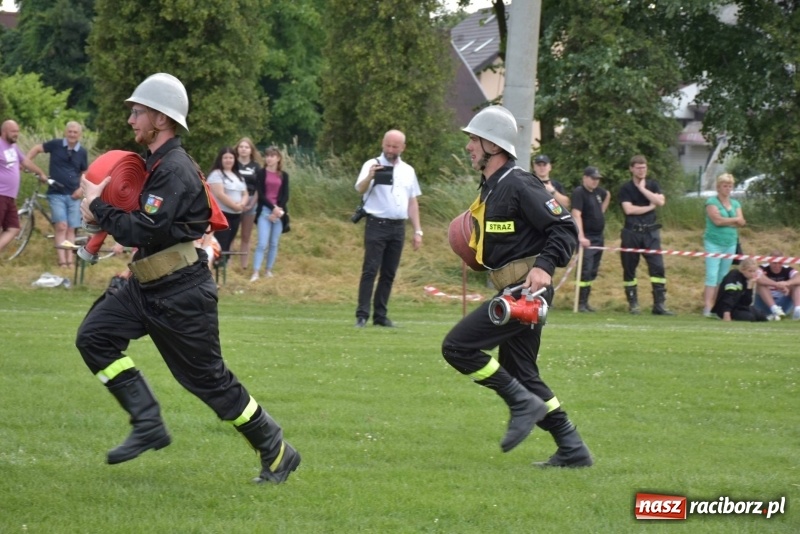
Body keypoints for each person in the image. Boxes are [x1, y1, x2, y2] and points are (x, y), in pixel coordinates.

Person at [75, 73, 299, 484]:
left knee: (209, 381)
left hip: (181, 295)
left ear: (160, 119)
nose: (131, 120)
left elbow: (141, 228)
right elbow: (141, 227)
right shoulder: (154, 165)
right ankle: (147, 423)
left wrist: (97, 208)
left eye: (138, 112)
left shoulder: (174, 169)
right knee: (94, 337)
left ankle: (276, 449)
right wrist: (100, 211)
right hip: (145, 286)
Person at [442, 105, 592, 467]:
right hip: (512, 292)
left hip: (525, 292)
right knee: (523, 372)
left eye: (474, 140)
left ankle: (522, 403)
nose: (469, 148)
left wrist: (544, 266)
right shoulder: (492, 189)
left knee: (457, 348)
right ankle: (573, 449)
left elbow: (564, 228)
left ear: (493, 145)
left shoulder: (518, 182)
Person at [354, 129, 423, 328]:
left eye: (395, 146)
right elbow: (359, 189)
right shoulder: (371, 164)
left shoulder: (408, 170)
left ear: (403, 147)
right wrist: (370, 176)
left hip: (398, 227)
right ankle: (362, 315)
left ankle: (380, 315)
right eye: (387, 145)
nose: (390, 150)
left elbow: (412, 202)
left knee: (389, 273)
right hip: (377, 224)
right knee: (370, 270)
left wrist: (417, 230)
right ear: (382, 144)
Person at [26, 121, 90, 268]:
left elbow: (84, 173)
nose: (72, 134)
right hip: (56, 193)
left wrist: (81, 189)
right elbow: (37, 148)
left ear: (79, 135)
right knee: (61, 226)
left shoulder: (82, 152)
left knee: (71, 228)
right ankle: (62, 262)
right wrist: (26, 160)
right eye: (70, 131)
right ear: (65, 132)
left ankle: (70, 262)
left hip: (74, 195)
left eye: (75, 132)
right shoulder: (56, 144)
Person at [619, 154, 674, 315]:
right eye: (638, 167)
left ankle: (659, 305)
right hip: (632, 233)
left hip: (651, 233)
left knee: (658, 267)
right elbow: (629, 210)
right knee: (629, 269)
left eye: (644, 167)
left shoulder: (652, 185)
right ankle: (633, 304)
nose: (642, 170)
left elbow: (660, 202)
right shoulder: (626, 188)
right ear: (631, 169)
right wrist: (650, 206)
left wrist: (643, 189)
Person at [0, 120, 48, 256]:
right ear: (4, 132)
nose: (16, 134)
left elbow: (25, 161)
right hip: (0, 193)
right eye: (13, 131)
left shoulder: (13, 148)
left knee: (13, 228)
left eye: (17, 131)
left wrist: (40, 173)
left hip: (10, 197)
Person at [702, 173, 746, 317]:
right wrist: (734, 220)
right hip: (713, 242)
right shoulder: (711, 202)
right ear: (718, 187)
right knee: (712, 275)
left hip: (730, 242)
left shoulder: (735, 203)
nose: (727, 188)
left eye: (730, 186)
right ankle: (707, 306)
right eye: (725, 186)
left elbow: (742, 222)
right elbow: (717, 221)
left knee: (723, 276)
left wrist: (731, 220)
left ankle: (718, 306)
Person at [570, 166, 610, 312]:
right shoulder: (579, 193)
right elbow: (576, 214)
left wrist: (601, 212)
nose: (595, 182)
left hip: (599, 238)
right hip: (587, 238)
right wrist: (581, 236)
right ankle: (579, 302)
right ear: (585, 178)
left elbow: (608, 194)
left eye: (597, 179)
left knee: (593, 270)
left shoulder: (599, 193)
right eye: (593, 178)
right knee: (584, 270)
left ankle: (586, 302)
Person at [250, 146, 288, 281]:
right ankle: (255, 272)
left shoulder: (284, 175)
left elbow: (285, 195)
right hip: (265, 211)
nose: (269, 158)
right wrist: (272, 208)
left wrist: (278, 210)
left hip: (279, 212)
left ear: (278, 158)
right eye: (267, 156)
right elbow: (260, 194)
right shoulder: (260, 173)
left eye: (272, 156)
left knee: (273, 243)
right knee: (262, 243)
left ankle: (268, 270)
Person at [206, 146, 248, 257]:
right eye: (225, 158)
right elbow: (220, 194)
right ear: (221, 159)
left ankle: (222, 269)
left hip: (236, 216)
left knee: (228, 244)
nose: (228, 160)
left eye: (231, 157)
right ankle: (214, 270)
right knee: (220, 245)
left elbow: (245, 193)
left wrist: (242, 204)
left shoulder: (238, 175)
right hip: (222, 216)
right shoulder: (216, 174)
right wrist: (235, 206)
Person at [235, 137, 262, 270]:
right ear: (237, 149)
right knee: (231, 234)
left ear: (251, 150)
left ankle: (244, 265)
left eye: (246, 147)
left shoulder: (256, 167)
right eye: (241, 147)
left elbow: (259, 188)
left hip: (251, 202)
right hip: (233, 202)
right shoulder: (232, 164)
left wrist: (252, 204)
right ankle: (226, 263)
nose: (243, 149)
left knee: (246, 235)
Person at [754, 250, 800, 320]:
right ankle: (774, 309)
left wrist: (787, 283)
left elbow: (798, 277)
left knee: (796, 284)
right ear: (769, 261)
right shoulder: (762, 267)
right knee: (761, 284)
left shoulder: (787, 269)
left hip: (782, 304)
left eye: (779, 263)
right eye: (774, 263)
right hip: (763, 303)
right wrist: (777, 284)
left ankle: (797, 310)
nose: (777, 265)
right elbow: (758, 278)